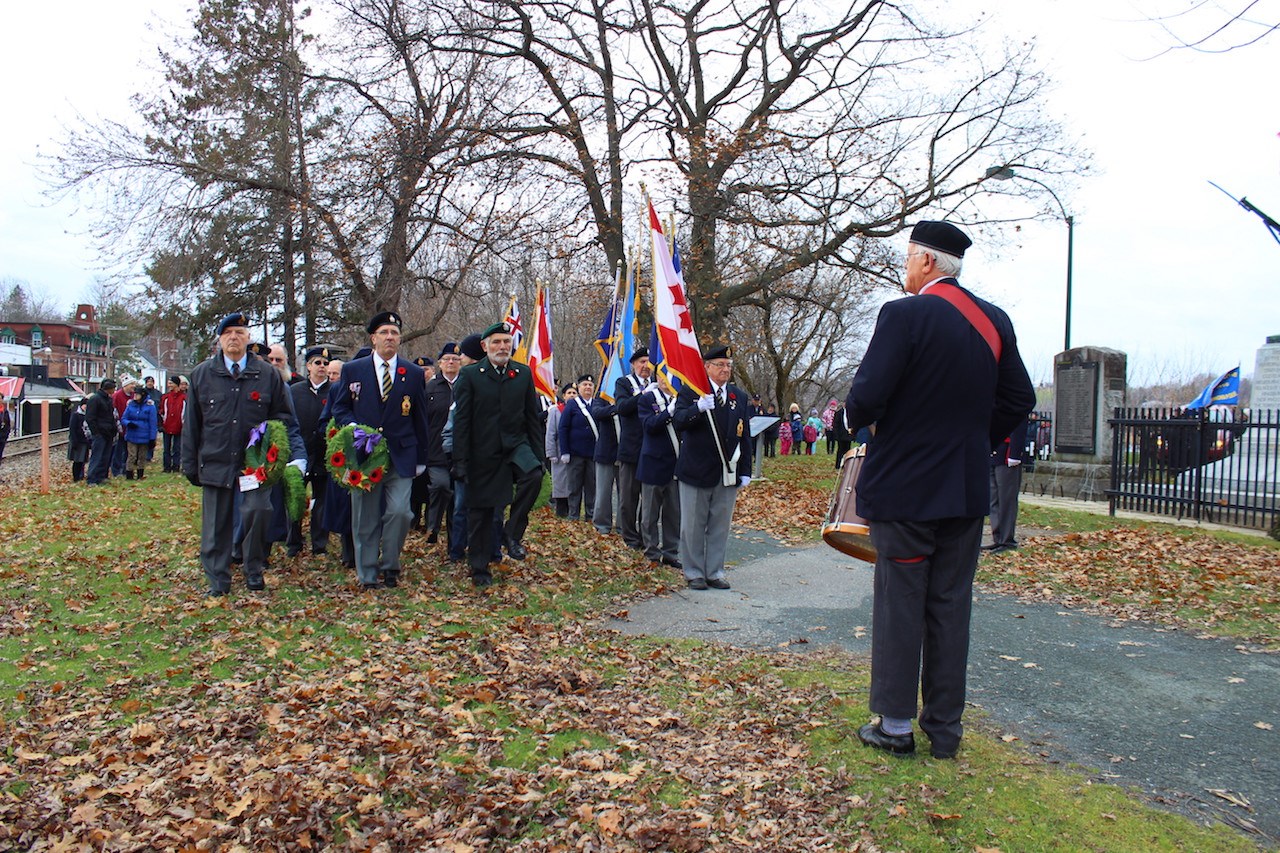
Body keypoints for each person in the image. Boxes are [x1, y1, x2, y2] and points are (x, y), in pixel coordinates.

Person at [844, 220, 1034, 760]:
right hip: (964, 489)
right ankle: (945, 731)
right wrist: (973, 441)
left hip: (906, 490)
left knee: (901, 604)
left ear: (927, 261)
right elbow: (1018, 398)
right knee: (951, 606)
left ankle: (895, 726)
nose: (905, 268)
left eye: (908, 257)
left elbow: (867, 398)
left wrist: (862, 421)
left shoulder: (903, 314)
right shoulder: (994, 320)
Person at [183, 312, 306, 596]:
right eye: (228, 333)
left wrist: (273, 453)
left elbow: (282, 418)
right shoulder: (203, 374)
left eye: (239, 333)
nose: (234, 338)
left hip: (254, 466)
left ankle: (253, 568)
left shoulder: (266, 375)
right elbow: (192, 425)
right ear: (220, 339)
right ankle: (218, 579)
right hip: (216, 460)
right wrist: (190, 464)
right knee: (216, 525)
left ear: (248, 338)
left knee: (257, 512)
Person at [330, 312, 430, 590]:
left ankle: (390, 565)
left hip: (401, 455)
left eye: (394, 333)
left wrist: (422, 458)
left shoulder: (412, 373)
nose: (389, 337)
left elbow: (420, 417)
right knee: (366, 517)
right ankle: (368, 573)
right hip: (365, 456)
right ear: (373, 338)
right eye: (384, 332)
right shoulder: (354, 370)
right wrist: (353, 428)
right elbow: (340, 407)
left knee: (400, 513)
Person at [450, 321, 545, 587]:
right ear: (485, 346)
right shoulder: (471, 375)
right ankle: (479, 567)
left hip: (516, 445)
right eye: (497, 342)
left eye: (506, 342)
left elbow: (531, 417)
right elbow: (461, 422)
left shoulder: (522, 373)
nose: (502, 347)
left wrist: (539, 456)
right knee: (481, 512)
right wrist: (460, 461)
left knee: (534, 475)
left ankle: (511, 533)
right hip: (482, 451)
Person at [672, 345, 752, 590]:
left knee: (720, 525)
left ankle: (714, 571)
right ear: (706, 367)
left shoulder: (738, 396)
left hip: (727, 472)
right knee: (693, 526)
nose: (725, 369)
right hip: (696, 470)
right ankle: (694, 572)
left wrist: (745, 470)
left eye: (728, 365)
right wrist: (697, 408)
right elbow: (678, 421)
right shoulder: (691, 391)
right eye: (720, 365)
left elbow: (744, 435)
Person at [287, 346, 332, 558]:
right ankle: (293, 542)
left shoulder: (334, 391)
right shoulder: (295, 391)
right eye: (317, 363)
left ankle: (319, 544)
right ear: (308, 366)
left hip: (324, 455)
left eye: (325, 363)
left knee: (322, 502)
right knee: (295, 499)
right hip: (300, 454)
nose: (322, 367)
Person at [637, 371, 681, 569]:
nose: (666, 381)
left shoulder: (680, 400)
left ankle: (671, 553)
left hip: (675, 464)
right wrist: (668, 412)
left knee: (673, 513)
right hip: (653, 464)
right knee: (650, 514)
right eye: (663, 376)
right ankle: (652, 552)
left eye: (670, 376)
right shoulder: (647, 399)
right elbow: (649, 425)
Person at [422, 343, 462, 545]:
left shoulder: (465, 385)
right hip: (435, 451)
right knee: (440, 486)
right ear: (440, 363)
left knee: (457, 498)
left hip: (460, 451)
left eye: (455, 359)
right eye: (447, 359)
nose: (451, 362)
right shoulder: (430, 388)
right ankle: (433, 527)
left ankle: (454, 544)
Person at [613, 348, 652, 550]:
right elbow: (622, 407)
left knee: (650, 499)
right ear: (634, 364)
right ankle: (629, 536)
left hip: (652, 450)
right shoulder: (624, 383)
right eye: (642, 362)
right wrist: (644, 395)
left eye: (648, 362)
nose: (645, 366)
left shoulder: (659, 384)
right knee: (628, 497)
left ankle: (646, 537)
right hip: (631, 448)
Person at [319, 358, 356, 568]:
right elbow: (326, 420)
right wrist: (336, 436)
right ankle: (348, 553)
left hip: (372, 452)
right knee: (345, 503)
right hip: (344, 454)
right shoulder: (338, 389)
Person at [985, 414, 1031, 553]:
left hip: (1007, 453)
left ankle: (1007, 540)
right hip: (993, 452)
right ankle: (998, 537)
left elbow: (1019, 423)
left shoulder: (1012, 403)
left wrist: (1015, 453)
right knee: (993, 499)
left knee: (1006, 500)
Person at [557, 374, 598, 522]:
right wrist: (565, 451)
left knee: (592, 486)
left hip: (593, 453)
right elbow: (563, 428)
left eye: (590, 385)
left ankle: (590, 515)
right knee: (574, 486)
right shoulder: (572, 405)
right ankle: (573, 515)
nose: (588, 387)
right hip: (575, 453)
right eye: (584, 385)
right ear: (579, 388)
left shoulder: (597, 404)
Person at [591, 382, 621, 535]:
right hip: (605, 452)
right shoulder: (601, 398)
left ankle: (622, 526)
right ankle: (602, 524)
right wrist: (616, 408)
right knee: (603, 491)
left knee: (625, 493)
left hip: (624, 452)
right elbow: (597, 413)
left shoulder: (626, 396)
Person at [545, 384, 575, 517]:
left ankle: (572, 511)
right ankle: (561, 511)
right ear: (564, 396)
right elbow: (550, 433)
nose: (572, 395)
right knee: (560, 483)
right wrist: (551, 452)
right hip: (558, 452)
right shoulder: (556, 411)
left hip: (574, 452)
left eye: (574, 393)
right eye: (569, 393)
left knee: (573, 483)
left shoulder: (579, 410)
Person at [120, 385, 158, 479]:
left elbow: (153, 423)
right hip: (132, 434)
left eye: (137, 394)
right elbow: (124, 418)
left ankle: (140, 473)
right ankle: (129, 474)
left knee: (142, 456)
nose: (135, 396)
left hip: (144, 435)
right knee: (132, 455)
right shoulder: (131, 405)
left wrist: (152, 438)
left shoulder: (150, 406)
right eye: (135, 394)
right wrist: (129, 423)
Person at [85, 378, 118, 485]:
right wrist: (96, 432)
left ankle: (101, 476)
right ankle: (92, 478)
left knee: (105, 456)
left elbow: (111, 416)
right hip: (100, 433)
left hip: (108, 432)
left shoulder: (108, 399)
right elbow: (90, 418)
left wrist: (113, 429)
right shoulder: (95, 399)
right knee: (97, 456)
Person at [110, 377, 136, 477]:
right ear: (125, 385)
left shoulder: (133, 396)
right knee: (118, 450)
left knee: (128, 451)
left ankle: (126, 468)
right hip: (119, 427)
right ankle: (116, 470)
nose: (133, 386)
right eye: (131, 384)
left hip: (130, 427)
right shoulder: (117, 396)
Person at [160, 376, 186, 472]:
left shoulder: (184, 398)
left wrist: (183, 423)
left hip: (179, 426)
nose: (169, 385)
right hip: (167, 426)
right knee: (166, 448)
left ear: (176, 384)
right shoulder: (165, 397)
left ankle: (176, 466)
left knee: (177, 448)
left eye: (171, 383)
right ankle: (166, 466)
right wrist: (161, 424)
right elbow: (161, 411)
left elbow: (185, 412)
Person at [67, 399, 91, 482]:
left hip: (84, 441)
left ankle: (81, 476)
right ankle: (76, 477)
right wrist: (74, 441)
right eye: (85, 405)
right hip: (77, 441)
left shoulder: (87, 415)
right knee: (77, 460)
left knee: (82, 460)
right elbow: (72, 429)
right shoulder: (76, 415)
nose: (86, 407)